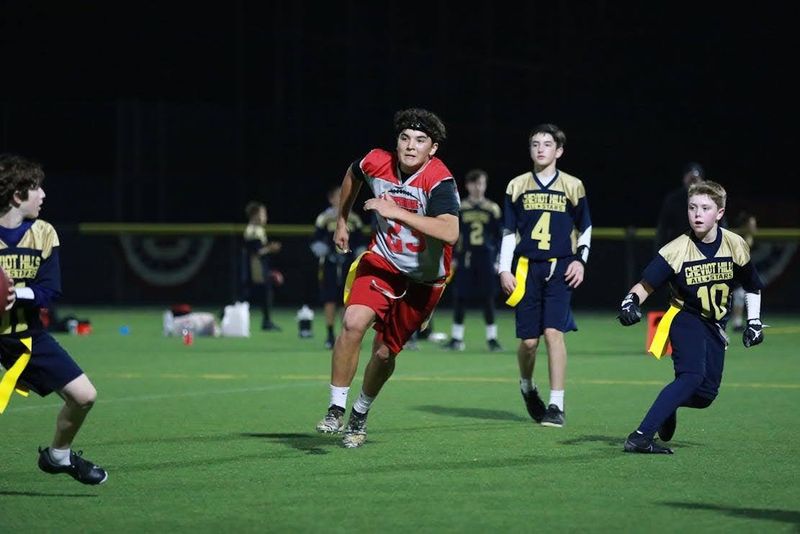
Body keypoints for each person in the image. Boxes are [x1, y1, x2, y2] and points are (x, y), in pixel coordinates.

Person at [315, 107, 459, 448]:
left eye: (420, 141)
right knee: (352, 322)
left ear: (432, 148)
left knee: (383, 354)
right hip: (383, 261)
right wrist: (341, 220)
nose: (410, 146)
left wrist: (397, 212)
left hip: (424, 280)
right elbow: (353, 174)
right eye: (405, 138)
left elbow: (450, 232)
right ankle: (336, 407)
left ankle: (360, 414)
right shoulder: (376, 161)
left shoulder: (439, 180)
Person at [618, 180, 765, 454]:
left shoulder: (735, 244)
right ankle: (640, 437)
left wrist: (753, 321)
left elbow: (752, 284)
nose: (697, 214)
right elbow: (645, 285)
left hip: (715, 325)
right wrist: (630, 302)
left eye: (705, 208)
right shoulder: (676, 250)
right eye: (692, 207)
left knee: (706, 396)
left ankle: (668, 405)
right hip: (685, 317)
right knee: (691, 376)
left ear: (720, 213)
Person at [0, 153, 107, 484]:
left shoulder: (44, 233)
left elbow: (50, 290)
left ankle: (58, 455)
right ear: (18, 195)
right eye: (36, 188)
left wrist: (18, 295)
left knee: (84, 396)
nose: (43, 195)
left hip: (25, 336)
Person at [498, 123, 592, 428]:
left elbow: (586, 227)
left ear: (559, 150)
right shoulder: (517, 185)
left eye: (547, 144)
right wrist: (503, 268)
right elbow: (509, 231)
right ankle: (527, 386)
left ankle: (556, 404)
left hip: (560, 266)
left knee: (554, 332)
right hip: (527, 268)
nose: (541, 149)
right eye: (535, 143)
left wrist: (580, 260)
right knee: (528, 343)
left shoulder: (573, 185)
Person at [444, 168, 504, 352]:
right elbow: (453, 234)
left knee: (488, 298)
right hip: (466, 258)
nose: (478, 187)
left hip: (486, 257)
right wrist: (453, 257)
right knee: (460, 297)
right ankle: (457, 338)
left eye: (481, 183)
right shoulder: (461, 207)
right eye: (475, 183)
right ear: (468, 185)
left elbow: (499, 236)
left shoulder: (492, 208)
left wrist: (499, 259)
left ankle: (492, 339)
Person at [310, 185, 366, 349]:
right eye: (337, 196)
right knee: (329, 298)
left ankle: (346, 334)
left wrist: (357, 256)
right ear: (331, 199)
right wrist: (326, 252)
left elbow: (361, 243)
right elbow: (315, 240)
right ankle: (329, 334)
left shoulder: (354, 219)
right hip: (329, 263)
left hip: (349, 264)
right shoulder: (324, 218)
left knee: (348, 299)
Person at [241, 201, 282, 331]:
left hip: (259, 265)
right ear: (254, 215)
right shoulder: (253, 230)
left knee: (259, 293)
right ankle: (227, 313)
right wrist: (270, 248)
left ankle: (267, 321)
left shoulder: (257, 229)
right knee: (255, 293)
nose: (265, 217)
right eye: (262, 213)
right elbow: (256, 252)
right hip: (255, 267)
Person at [654, 162, 705, 250]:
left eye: (695, 179)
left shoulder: (710, 199)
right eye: (690, 179)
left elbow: (721, 227)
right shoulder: (673, 199)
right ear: (684, 179)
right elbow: (663, 230)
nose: (692, 182)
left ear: (701, 180)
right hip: (679, 250)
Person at [730, 211, 758, 331]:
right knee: (737, 295)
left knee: (740, 295)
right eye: (752, 224)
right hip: (731, 269)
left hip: (740, 270)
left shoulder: (748, 236)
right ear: (745, 225)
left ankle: (737, 323)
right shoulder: (737, 236)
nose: (754, 227)